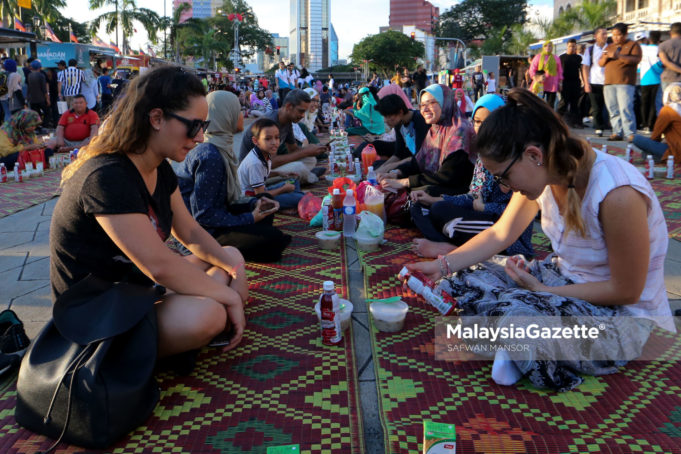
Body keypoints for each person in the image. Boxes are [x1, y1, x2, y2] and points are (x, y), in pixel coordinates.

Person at [407, 87, 674, 392]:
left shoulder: (617, 193)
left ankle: (518, 344)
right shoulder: (544, 174)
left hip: (617, 317)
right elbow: (499, 233)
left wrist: (545, 290)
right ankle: (513, 342)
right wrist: (442, 266)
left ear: (533, 155)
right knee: (458, 280)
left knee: (516, 319)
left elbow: (626, 290)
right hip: (560, 282)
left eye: (503, 177)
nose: (505, 187)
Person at [48, 65, 247, 377]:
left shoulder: (159, 168)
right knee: (209, 314)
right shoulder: (107, 176)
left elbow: (191, 231)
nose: (200, 137)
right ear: (156, 119)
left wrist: (231, 273)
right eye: (193, 126)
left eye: (204, 126)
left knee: (231, 257)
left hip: (137, 289)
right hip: (97, 312)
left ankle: (204, 309)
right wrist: (228, 294)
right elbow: (159, 265)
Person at [409, 94, 533, 259]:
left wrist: (483, 208)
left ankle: (450, 250)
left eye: (488, 121)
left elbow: (523, 210)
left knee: (440, 212)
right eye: (477, 122)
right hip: (480, 217)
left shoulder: (516, 156)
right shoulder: (483, 154)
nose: (481, 128)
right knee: (419, 206)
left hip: (506, 232)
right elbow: (473, 196)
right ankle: (447, 242)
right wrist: (434, 199)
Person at [175, 91, 291, 262]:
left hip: (217, 216)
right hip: (200, 233)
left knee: (264, 199)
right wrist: (250, 218)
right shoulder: (210, 155)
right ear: (226, 115)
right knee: (272, 240)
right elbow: (203, 215)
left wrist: (255, 203)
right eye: (237, 111)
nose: (242, 116)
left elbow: (225, 201)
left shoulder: (221, 146)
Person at [379, 84, 476, 197]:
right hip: (437, 181)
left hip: (457, 189)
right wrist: (396, 173)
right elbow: (418, 162)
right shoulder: (434, 130)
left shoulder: (459, 131)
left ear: (445, 102)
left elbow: (447, 176)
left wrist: (403, 181)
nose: (424, 109)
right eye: (422, 105)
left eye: (432, 103)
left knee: (419, 192)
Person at [238, 89, 327, 184]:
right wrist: (305, 152)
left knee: (310, 159)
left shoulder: (287, 121)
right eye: (300, 111)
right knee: (299, 167)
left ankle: (301, 175)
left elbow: (293, 150)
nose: (302, 115)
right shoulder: (269, 123)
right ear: (288, 106)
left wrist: (312, 149)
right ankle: (307, 176)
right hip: (254, 173)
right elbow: (271, 162)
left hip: (269, 166)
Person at [238, 118, 305, 209]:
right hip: (253, 200)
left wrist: (279, 173)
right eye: (268, 139)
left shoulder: (264, 153)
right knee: (301, 198)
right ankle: (287, 204)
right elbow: (260, 195)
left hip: (262, 191)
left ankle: (287, 204)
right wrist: (283, 189)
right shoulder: (254, 163)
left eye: (277, 137)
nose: (274, 142)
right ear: (256, 141)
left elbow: (261, 174)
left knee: (293, 182)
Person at [599, 22, 642, 143]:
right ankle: (617, 132)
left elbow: (636, 59)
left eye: (618, 35)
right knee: (612, 109)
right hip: (609, 83)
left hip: (625, 82)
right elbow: (600, 63)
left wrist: (618, 56)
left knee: (625, 108)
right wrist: (606, 57)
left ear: (625, 34)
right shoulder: (609, 46)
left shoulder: (633, 45)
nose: (615, 37)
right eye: (613, 35)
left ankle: (630, 134)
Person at [374, 92, 431, 174]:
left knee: (393, 170)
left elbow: (420, 156)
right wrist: (382, 168)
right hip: (410, 158)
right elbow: (398, 154)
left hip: (421, 162)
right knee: (378, 165)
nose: (385, 120)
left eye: (389, 116)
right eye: (384, 117)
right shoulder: (399, 124)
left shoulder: (420, 120)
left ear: (400, 112)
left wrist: (389, 167)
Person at [632, 83, 681, 162]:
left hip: (677, 152)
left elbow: (655, 136)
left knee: (636, 138)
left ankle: (659, 157)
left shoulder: (668, 110)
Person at [582, 27, 609, 137]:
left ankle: (607, 125)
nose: (605, 36)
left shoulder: (611, 48)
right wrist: (586, 83)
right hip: (594, 81)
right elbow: (585, 67)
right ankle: (598, 127)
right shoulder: (590, 50)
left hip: (608, 82)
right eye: (602, 34)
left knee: (607, 106)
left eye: (606, 34)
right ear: (596, 36)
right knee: (596, 106)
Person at [557, 39, 584, 129]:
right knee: (564, 102)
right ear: (567, 46)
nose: (572, 48)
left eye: (573, 46)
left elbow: (582, 70)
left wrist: (584, 82)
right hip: (565, 82)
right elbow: (558, 71)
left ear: (576, 46)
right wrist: (559, 83)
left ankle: (575, 122)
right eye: (570, 46)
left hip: (575, 82)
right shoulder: (561, 57)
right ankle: (557, 120)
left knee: (575, 103)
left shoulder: (579, 58)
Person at [529, 41, 563, 107]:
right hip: (540, 85)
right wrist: (536, 79)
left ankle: (548, 117)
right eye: (546, 46)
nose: (548, 47)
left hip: (552, 85)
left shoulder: (556, 58)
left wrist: (560, 83)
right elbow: (532, 70)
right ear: (543, 47)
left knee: (550, 105)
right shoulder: (538, 57)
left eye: (550, 46)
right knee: (538, 104)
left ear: (552, 47)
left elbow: (559, 71)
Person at [658, 22, 681, 94]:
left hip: (668, 78)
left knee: (669, 103)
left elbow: (665, 62)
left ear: (670, 32)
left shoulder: (663, 45)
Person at [25, 60, 49, 126]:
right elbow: (44, 89)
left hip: (32, 98)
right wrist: (47, 98)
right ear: (39, 67)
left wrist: (27, 97)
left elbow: (29, 87)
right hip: (41, 98)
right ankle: (45, 125)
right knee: (47, 112)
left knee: (36, 114)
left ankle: (37, 126)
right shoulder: (41, 76)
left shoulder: (29, 75)